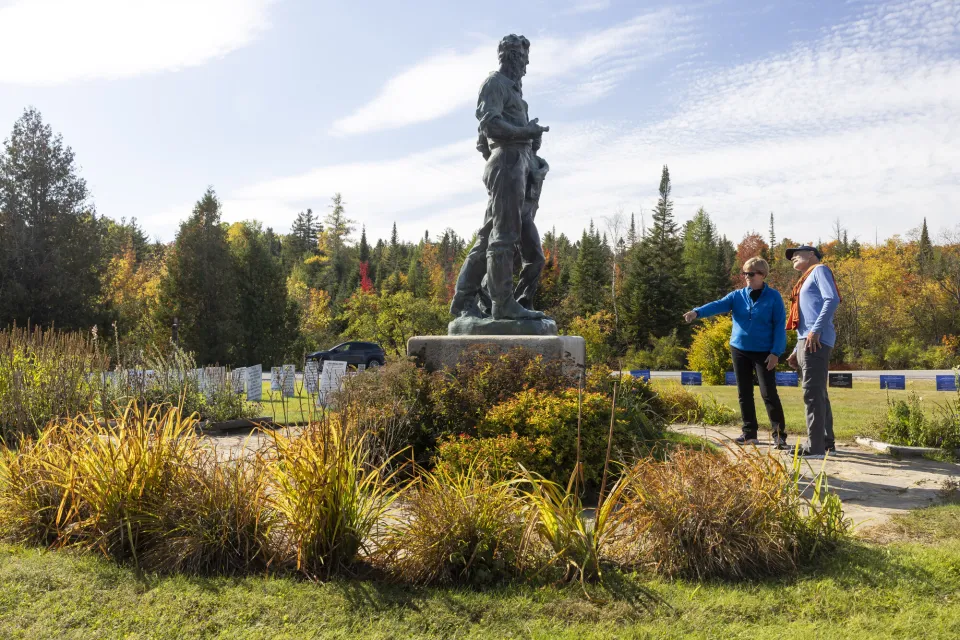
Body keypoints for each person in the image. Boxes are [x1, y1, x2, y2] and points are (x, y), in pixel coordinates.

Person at [448, 34, 550, 320]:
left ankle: (464, 301)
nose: (526, 67)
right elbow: (489, 127)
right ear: (511, 57)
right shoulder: (495, 84)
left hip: (515, 164)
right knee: (502, 238)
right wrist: (521, 139)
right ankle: (502, 303)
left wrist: (530, 148)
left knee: (488, 236)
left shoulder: (516, 94)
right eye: (523, 60)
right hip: (506, 162)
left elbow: (487, 138)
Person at [683, 257, 789, 449]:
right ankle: (749, 434)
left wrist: (776, 352)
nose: (746, 277)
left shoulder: (774, 297)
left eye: (751, 273)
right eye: (744, 273)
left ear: (762, 275)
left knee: (768, 393)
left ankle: (779, 436)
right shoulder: (737, 295)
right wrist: (696, 312)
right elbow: (717, 305)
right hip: (739, 349)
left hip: (764, 352)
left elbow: (780, 326)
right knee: (744, 392)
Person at [784, 245, 841, 458]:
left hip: (815, 340)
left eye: (797, 253)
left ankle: (815, 447)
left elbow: (832, 299)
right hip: (806, 340)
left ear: (811, 255)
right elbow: (807, 317)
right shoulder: (804, 279)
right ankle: (826, 443)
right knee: (818, 393)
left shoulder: (820, 270)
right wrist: (795, 349)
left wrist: (816, 330)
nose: (793, 258)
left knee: (812, 393)